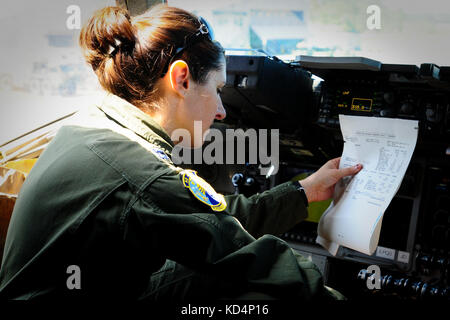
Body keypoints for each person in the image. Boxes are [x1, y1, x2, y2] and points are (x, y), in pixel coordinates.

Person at [0, 4, 362, 300]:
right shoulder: (141, 173)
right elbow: (249, 257)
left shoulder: (96, 123)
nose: (221, 110)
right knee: (263, 292)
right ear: (182, 79)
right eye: (217, 89)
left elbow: (207, 220)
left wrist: (305, 190)